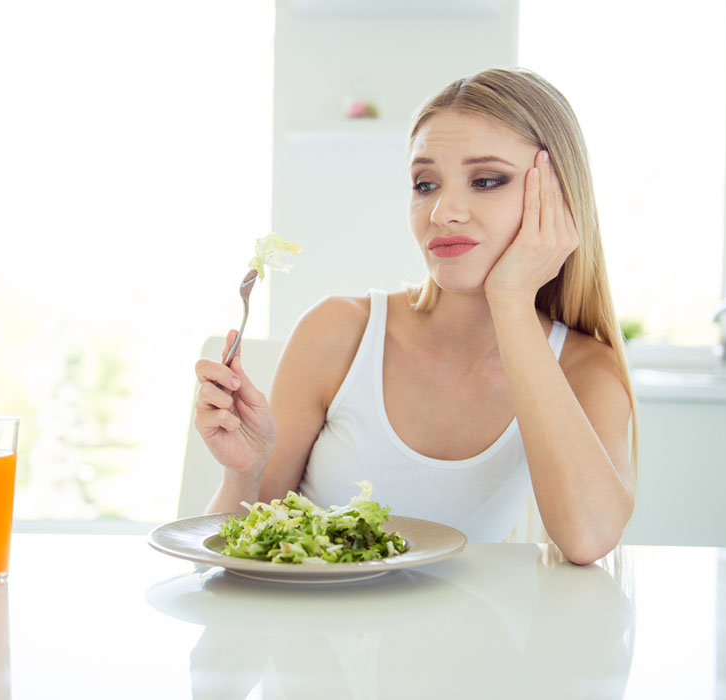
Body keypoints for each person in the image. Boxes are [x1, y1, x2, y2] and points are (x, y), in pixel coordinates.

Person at [193, 67, 636, 565]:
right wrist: (243, 474)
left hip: (458, 641)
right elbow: (240, 546)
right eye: (425, 184)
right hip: (312, 636)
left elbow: (589, 538)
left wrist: (511, 300)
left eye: (487, 180)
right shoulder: (338, 332)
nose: (443, 211)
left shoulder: (585, 369)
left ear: (557, 197)